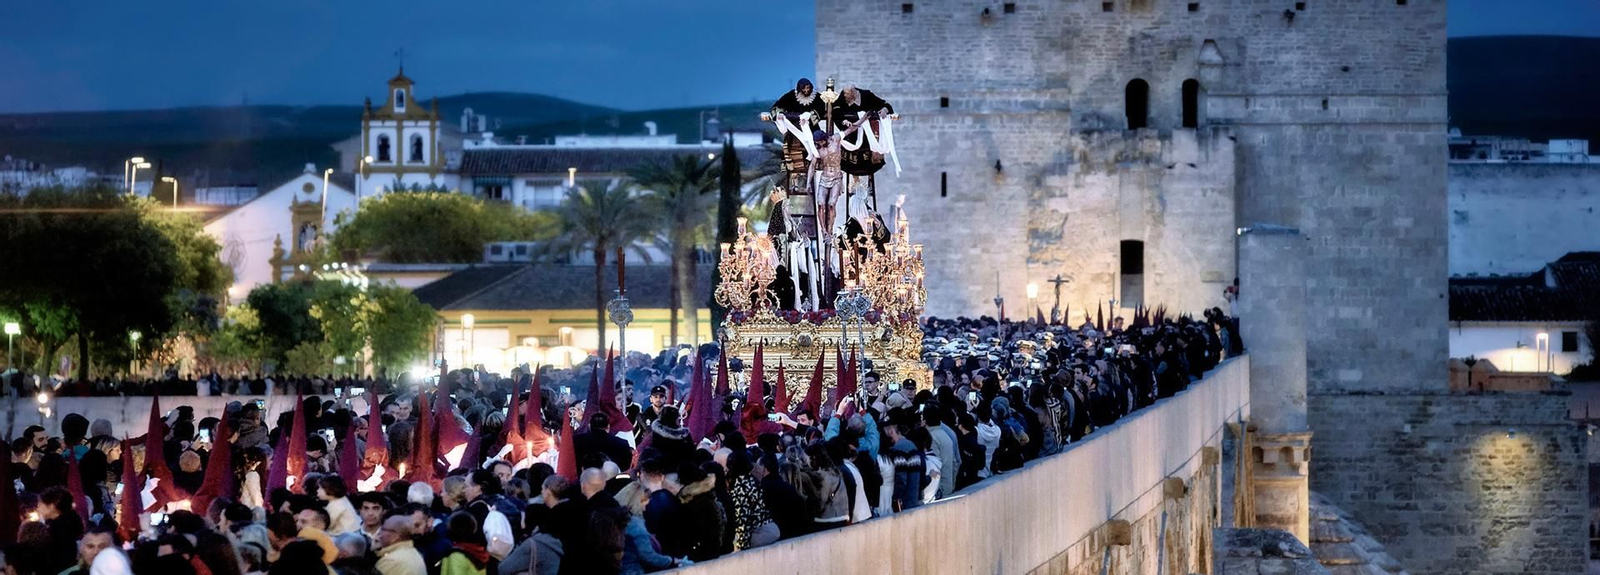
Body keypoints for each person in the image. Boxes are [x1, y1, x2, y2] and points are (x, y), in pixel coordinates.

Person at [723, 450, 777, 551]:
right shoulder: (752, 480)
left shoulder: (740, 487)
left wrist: (741, 546)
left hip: (760, 533)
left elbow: (742, 518)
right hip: (771, 528)